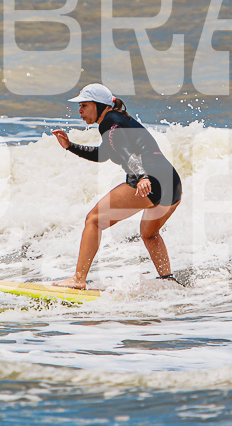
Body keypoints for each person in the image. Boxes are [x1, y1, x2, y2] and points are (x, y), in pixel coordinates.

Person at [51, 84, 182, 289]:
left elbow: (126, 150)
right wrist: (70, 146)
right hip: (172, 183)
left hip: (150, 179)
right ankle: (168, 281)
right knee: (149, 234)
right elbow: (103, 154)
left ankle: (78, 279)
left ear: (99, 105)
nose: (80, 111)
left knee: (93, 220)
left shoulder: (109, 122)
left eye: (84, 105)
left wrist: (141, 177)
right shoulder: (118, 121)